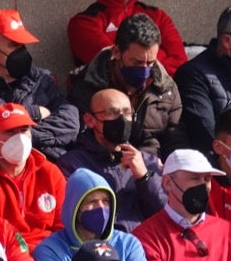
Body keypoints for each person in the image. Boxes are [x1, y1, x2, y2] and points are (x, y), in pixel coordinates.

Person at [0, 9, 80, 160]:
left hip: (50, 164)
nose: (22, 51)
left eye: (23, 45)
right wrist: (35, 113)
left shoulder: (41, 78)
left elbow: (70, 124)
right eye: (14, 45)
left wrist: (17, 136)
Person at [68, 13, 186, 157]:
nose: (144, 70)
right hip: (104, 166)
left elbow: (176, 140)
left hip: (154, 169)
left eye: (150, 63)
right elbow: (81, 140)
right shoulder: (87, 87)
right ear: (117, 52)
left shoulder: (166, 90)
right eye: (136, 62)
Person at [56, 89, 167, 233]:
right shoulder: (71, 164)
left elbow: (166, 214)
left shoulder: (147, 161)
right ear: (90, 120)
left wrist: (144, 178)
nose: (122, 120)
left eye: (127, 113)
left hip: (146, 244)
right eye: (112, 113)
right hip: (103, 246)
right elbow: (72, 217)